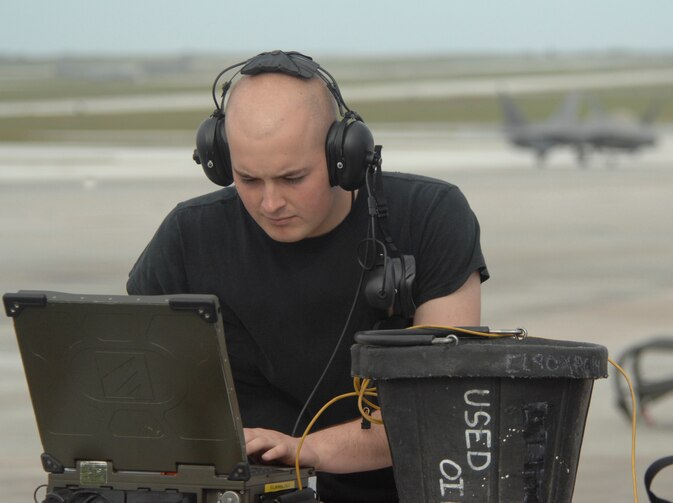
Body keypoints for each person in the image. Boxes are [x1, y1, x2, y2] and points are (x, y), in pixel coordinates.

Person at [126, 50, 488, 503]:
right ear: (219, 161)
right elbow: (137, 396)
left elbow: (444, 404)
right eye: (248, 179)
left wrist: (308, 450)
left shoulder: (431, 217)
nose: (270, 203)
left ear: (345, 157)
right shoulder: (187, 237)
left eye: (293, 178)